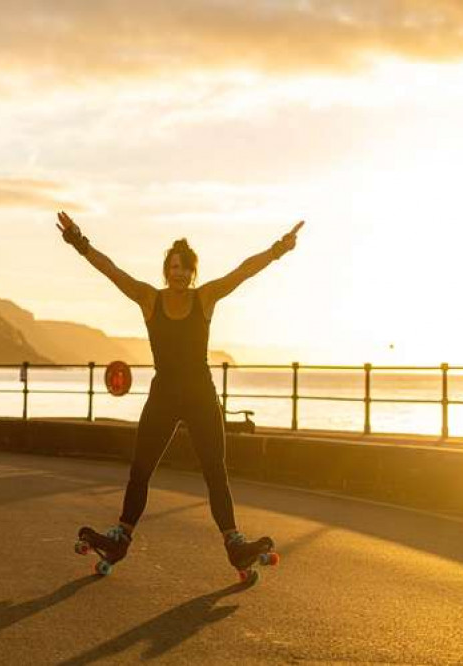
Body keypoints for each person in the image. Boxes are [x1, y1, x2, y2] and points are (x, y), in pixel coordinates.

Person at [56, 211, 303, 576]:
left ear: (193, 272)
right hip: (164, 395)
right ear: (166, 270)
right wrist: (80, 242)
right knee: (141, 470)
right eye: (174, 267)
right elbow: (112, 271)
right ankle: (121, 536)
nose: (180, 273)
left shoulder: (205, 298)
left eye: (186, 268)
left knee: (215, 470)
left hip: (201, 394)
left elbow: (243, 271)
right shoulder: (148, 299)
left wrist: (278, 249)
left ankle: (234, 542)